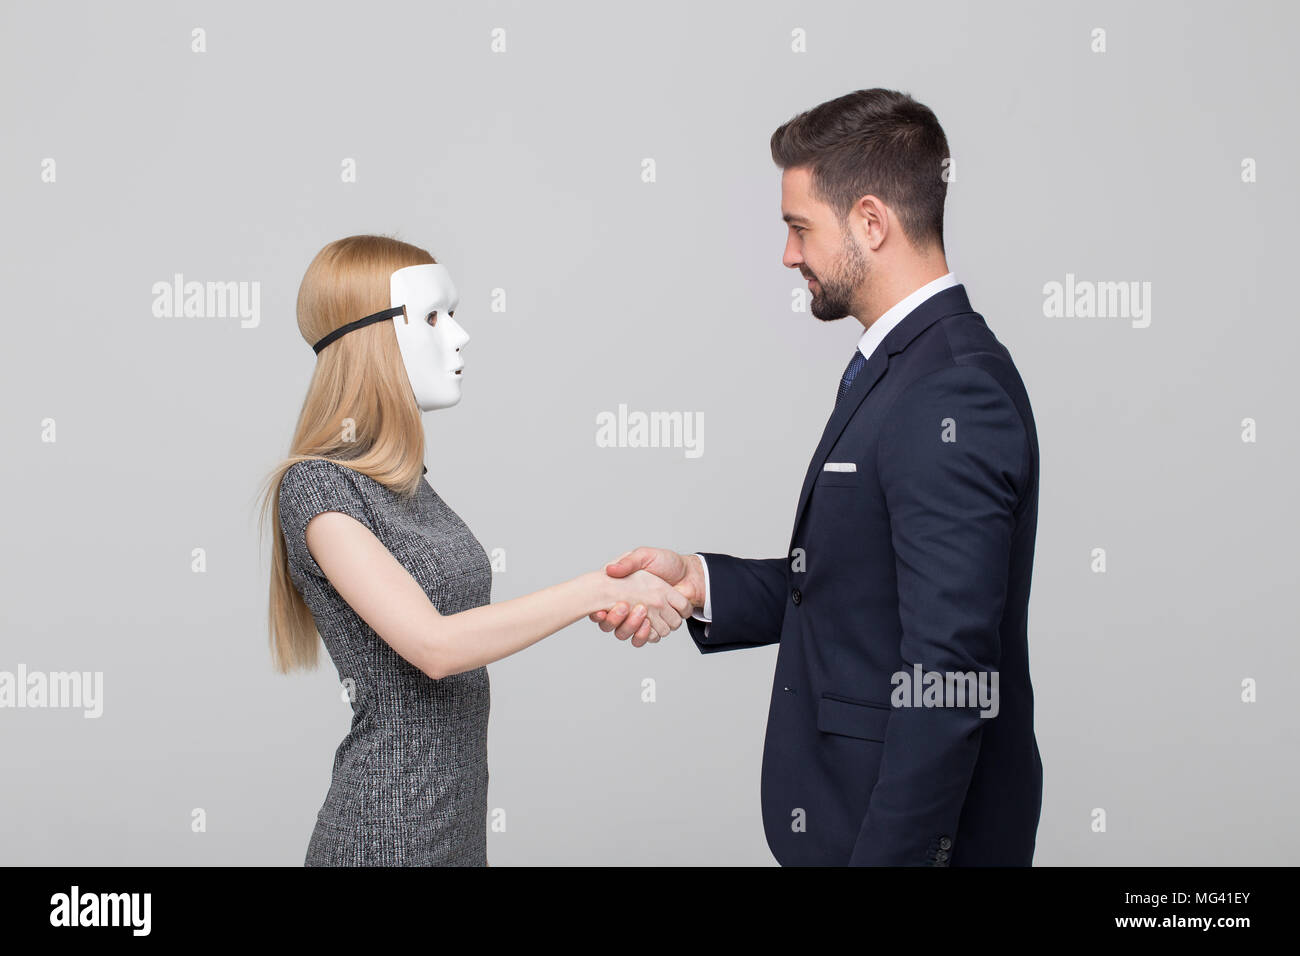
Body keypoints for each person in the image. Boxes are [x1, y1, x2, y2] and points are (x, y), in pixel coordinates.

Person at [593, 88, 1044, 866]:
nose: (788, 255)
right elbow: (852, 585)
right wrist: (699, 582)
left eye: (800, 228)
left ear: (872, 222)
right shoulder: (903, 368)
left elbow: (950, 676)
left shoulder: (951, 388)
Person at [258, 234, 692, 866]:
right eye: (434, 316)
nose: (460, 336)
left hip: (455, 831)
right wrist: (598, 589)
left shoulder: (409, 485)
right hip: (386, 838)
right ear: (371, 337)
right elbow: (437, 648)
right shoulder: (319, 487)